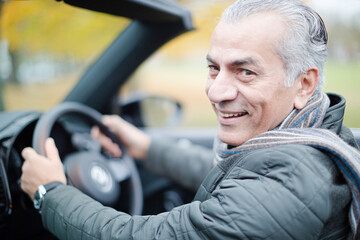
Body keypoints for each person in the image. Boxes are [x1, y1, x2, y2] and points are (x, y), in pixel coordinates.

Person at [20, 0, 360, 239]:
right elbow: (236, 176)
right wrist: (148, 148)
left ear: (304, 84)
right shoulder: (309, 140)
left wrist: (50, 194)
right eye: (214, 68)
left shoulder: (290, 187)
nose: (215, 92)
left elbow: (148, 235)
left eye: (245, 71)